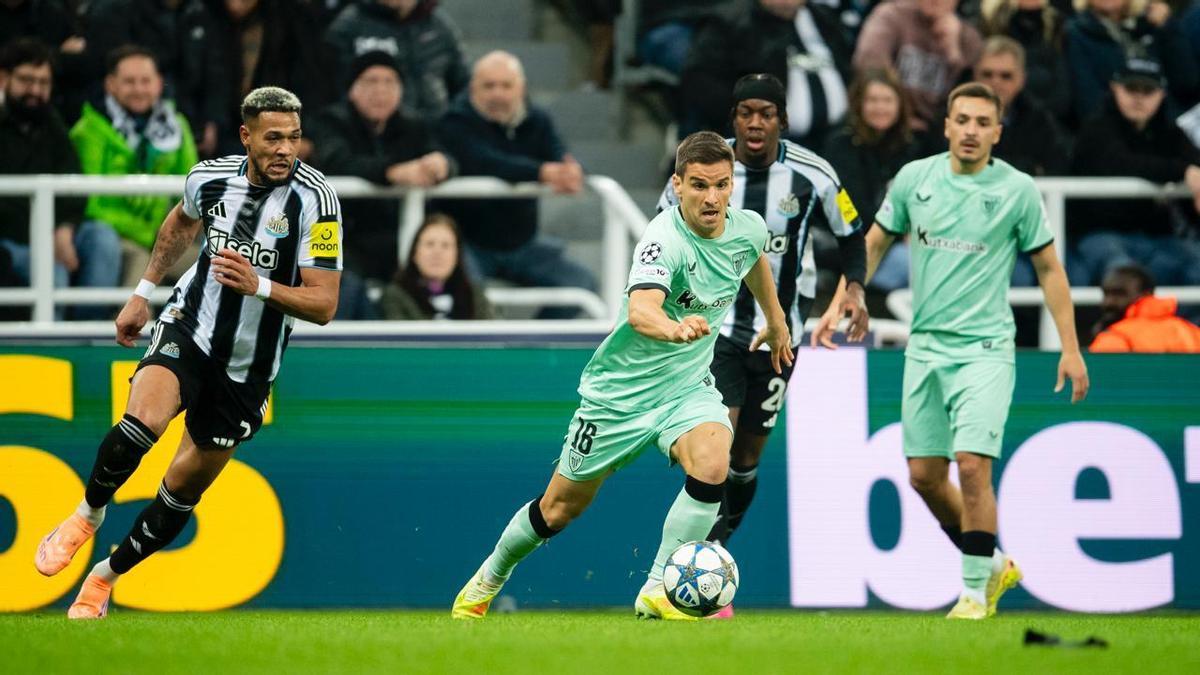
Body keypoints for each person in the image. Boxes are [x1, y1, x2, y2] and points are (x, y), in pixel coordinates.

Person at [451, 131, 793, 621]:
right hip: (618, 399)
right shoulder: (662, 240)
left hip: (685, 390)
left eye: (721, 184)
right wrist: (674, 330)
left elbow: (753, 259)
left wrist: (776, 320)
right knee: (557, 510)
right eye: (699, 185)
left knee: (716, 460)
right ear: (677, 185)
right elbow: (640, 312)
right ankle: (488, 578)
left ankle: (657, 588)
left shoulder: (748, 227)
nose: (712, 198)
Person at [34, 86, 343, 619]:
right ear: (247, 136)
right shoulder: (209, 177)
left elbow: (324, 303)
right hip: (189, 327)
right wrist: (142, 292)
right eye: (273, 138)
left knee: (181, 490)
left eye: (293, 138)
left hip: (249, 366)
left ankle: (104, 578)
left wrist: (260, 286)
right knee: (140, 425)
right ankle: (87, 514)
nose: (285, 150)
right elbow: (181, 221)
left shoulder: (317, 201)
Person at [815, 82, 1090, 620]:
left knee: (971, 466)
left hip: (985, 349)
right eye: (961, 119)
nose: (970, 130)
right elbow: (874, 241)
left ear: (996, 132)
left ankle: (971, 594)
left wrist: (1071, 348)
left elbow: (1050, 269)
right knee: (922, 476)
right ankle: (991, 564)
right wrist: (845, 297)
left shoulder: (1016, 190)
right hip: (925, 348)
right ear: (945, 125)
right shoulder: (915, 179)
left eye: (982, 123)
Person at [658, 74, 867, 567]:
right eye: (746, 112)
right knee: (719, 448)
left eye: (766, 113)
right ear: (734, 118)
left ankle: (714, 553)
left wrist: (854, 288)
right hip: (718, 332)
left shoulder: (813, 175)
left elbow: (852, 234)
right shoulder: (704, 170)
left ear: (782, 120)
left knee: (746, 462)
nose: (755, 123)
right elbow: (661, 233)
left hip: (780, 335)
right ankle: (693, 566)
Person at [436, 50, 596, 318]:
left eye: (506, 85)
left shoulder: (538, 120)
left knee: (582, 284)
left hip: (523, 243)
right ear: (473, 88)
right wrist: (542, 172)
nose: (498, 94)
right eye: (489, 86)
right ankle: (483, 358)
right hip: (468, 244)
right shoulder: (454, 122)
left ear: (520, 89)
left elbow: (560, 154)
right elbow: (483, 161)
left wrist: (571, 171)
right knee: (468, 298)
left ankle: (534, 351)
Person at [308, 50, 453, 319]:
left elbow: (446, 156)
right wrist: (391, 172)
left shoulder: (414, 125)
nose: (381, 91)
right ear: (352, 88)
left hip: (397, 237)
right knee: (345, 291)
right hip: (341, 236)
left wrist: (441, 164)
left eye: (389, 82)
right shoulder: (330, 121)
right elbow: (338, 162)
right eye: (371, 82)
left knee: (449, 274)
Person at [69, 45, 199, 300]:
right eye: (129, 82)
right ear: (111, 84)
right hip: (114, 236)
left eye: (145, 81)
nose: (139, 89)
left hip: (164, 235)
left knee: (216, 263)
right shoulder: (87, 130)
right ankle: (126, 335)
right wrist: (149, 235)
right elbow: (90, 204)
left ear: (159, 84)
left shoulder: (177, 125)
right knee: (142, 262)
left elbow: (192, 186)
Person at [1069, 57, 1200, 286]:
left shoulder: (1168, 132)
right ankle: (1124, 324)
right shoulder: (1097, 129)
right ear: (1115, 89)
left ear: (1162, 94)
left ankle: (1175, 324)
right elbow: (1121, 163)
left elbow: (1194, 162)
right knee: (1123, 275)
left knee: (1195, 266)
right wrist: (1183, 170)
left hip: (1158, 239)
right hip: (1100, 235)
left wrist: (1193, 172)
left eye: (1148, 90)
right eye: (1131, 88)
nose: (1139, 97)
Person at [681, 0, 854, 149]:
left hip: (834, 138)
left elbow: (847, 65)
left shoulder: (822, 18)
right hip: (763, 144)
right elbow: (699, 80)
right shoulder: (729, 21)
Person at [0, 38, 87, 321]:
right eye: (26, 80)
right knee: (52, 271)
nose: (35, 91)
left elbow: (74, 181)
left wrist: (64, 226)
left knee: (102, 240)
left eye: (43, 83)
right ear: (4, 78)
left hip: (51, 230)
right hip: (10, 237)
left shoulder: (51, 122)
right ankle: (59, 345)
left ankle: (101, 333)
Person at [823, 66, 924, 294]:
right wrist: (902, 233)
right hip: (853, 247)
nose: (880, 107)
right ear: (859, 104)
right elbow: (852, 210)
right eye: (873, 100)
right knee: (914, 263)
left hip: (900, 243)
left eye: (887, 100)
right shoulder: (840, 146)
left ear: (900, 105)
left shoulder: (910, 146)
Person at [853, 0, 984, 134]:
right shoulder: (892, 15)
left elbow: (973, 88)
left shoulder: (969, 37)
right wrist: (901, 115)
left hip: (937, 130)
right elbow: (870, 64)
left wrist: (953, 51)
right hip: (888, 121)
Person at [325, 0, 469, 121]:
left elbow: (463, 84)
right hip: (374, 137)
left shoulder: (439, 26)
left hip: (435, 131)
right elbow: (329, 87)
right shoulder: (348, 26)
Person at [1064, 0, 1199, 122]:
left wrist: (1167, 28)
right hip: (1116, 132)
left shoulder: (1153, 23)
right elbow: (1088, 102)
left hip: (1172, 124)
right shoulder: (1076, 33)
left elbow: (1187, 82)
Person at [380, 213, 493, 320]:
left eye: (445, 245)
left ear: (457, 255)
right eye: (429, 244)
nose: (437, 252)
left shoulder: (474, 296)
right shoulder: (395, 296)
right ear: (414, 253)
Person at [977, 0, 1072, 122]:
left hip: (1044, 121)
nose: (996, 81)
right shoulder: (989, 23)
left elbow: (1063, 96)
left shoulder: (1058, 27)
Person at [1090, 264, 1200, 351]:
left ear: (1146, 293)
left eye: (1119, 294)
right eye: (1106, 294)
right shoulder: (1191, 332)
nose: (1109, 302)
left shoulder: (1115, 338)